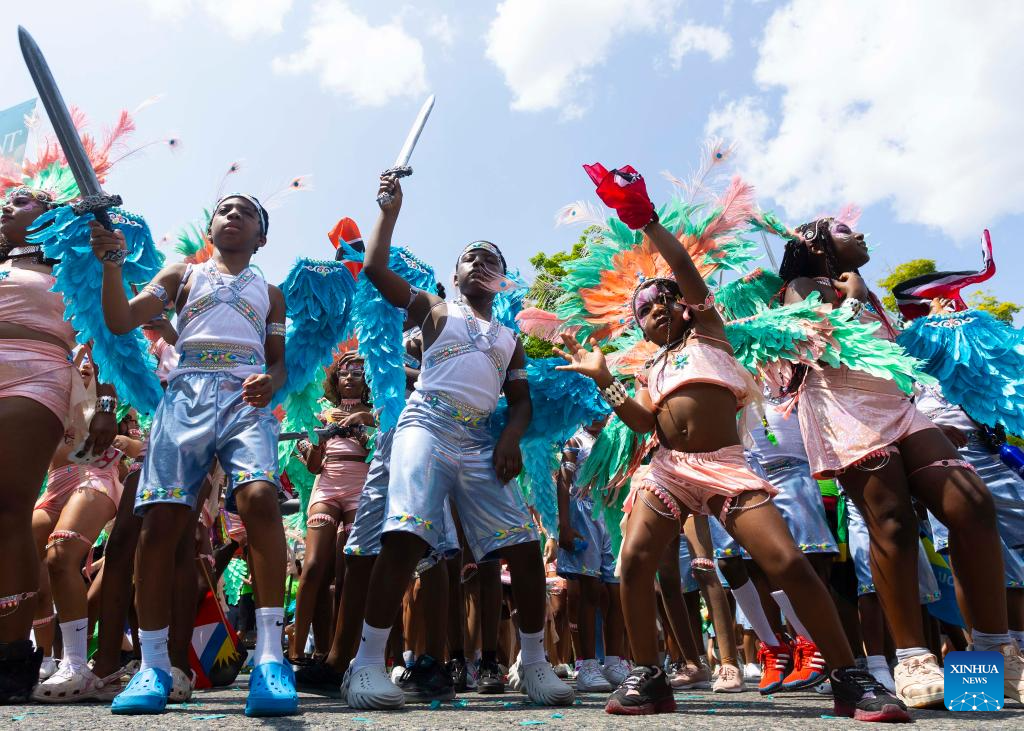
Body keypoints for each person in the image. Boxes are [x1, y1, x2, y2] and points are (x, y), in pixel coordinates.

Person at [555, 163, 907, 720]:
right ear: (639, 327)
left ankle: (850, 675)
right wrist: (605, 380)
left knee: (787, 562)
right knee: (635, 562)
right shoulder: (651, 367)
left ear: (686, 305)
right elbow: (645, 425)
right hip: (667, 470)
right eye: (644, 309)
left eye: (665, 299)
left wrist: (646, 221)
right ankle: (649, 676)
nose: (656, 309)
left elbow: (681, 267)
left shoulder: (711, 331)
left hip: (725, 466)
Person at [344, 174, 572, 710]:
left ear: (502, 280)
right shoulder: (432, 308)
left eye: (489, 258)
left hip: (478, 440)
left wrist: (511, 438)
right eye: (468, 256)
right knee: (406, 537)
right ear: (455, 273)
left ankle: (533, 665)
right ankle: (366, 665)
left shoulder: (510, 339)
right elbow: (376, 268)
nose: (477, 262)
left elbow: (520, 403)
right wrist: (390, 211)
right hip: (424, 425)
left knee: (522, 547)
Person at [778, 216, 1024, 708]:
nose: (861, 235)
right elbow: (814, 343)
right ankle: (912, 659)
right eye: (846, 230)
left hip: (898, 407)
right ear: (819, 245)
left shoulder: (866, 294)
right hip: (843, 408)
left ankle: (993, 657)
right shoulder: (799, 286)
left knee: (971, 505)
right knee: (891, 521)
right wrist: (852, 296)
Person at [89, 194, 296, 716]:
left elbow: (279, 364)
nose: (234, 215)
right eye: (225, 209)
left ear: (261, 237)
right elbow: (119, 319)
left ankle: (271, 659)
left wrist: (269, 383)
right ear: (210, 226)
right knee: (160, 522)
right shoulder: (183, 274)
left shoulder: (271, 295)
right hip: (185, 398)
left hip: (245, 402)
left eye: (247, 212)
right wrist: (112, 267)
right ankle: (154, 665)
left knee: (260, 501)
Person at [0, 187, 116, 703]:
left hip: (36, 372)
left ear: (52, 215)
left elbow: (109, 337)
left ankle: (10, 656)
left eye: (22, 200)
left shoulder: (74, 264)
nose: (5, 205)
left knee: (7, 508)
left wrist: (107, 409)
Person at [30, 353, 125, 701]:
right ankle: (40, 657)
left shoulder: (95, 366)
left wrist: (103, 396)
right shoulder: (36, 371)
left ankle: (76, 665)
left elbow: (111, 370)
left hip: (95, 473)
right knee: (20, 559)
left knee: (61, 551)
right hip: (53, 485)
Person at [290, 354, 374, 662]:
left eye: (358, 372)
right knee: (312, 567)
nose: (350, 377)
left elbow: (381, 453)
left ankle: (340, 654)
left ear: (367, 380)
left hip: (361, 488)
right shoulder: (321, 413)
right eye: (344, 373)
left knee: (347, 571)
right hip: (327, 484)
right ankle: (297, 651)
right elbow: (313, 466)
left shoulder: (376, 413)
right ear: (335, 380)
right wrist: (320, 443)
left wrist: (364, 427)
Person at [556, 417, 630, 691]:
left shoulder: (614, 437)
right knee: (589, 592)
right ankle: (587, 663)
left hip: (610, 517)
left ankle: (613, 661)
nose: (599, 413)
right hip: (583, 518)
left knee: (615, 592)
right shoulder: (574, 441)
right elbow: (563, 483)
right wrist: (564, 525)